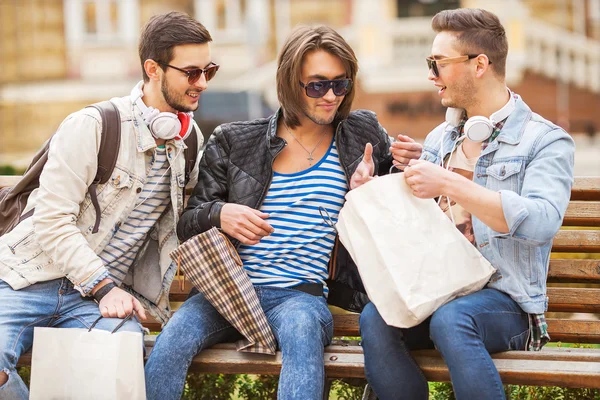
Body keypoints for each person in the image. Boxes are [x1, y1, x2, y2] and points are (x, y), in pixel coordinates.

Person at [144, 25, 422, 400]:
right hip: (228, 290)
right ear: (291, 84)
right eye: (317, 85)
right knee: (172, 340)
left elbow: (400, 215)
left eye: (340, 85)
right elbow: (189, 222)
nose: (331, 97)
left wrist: (394, 175)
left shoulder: (362, 132)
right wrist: (221, 213)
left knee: (302, 332)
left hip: (300, 295)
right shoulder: (234, 139)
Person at [359, 8, 575, 400]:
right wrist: (373, 187)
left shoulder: (545, 141)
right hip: (441, 290)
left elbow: (542, 222)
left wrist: (451, 182)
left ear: (479, 65)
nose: (430, 74)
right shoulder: (443, 138)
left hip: (508, 303)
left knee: (452, 320)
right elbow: (417, 220)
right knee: (377, 316)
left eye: (438, 63)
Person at [0, 11, 214, 398]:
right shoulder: (94, 126)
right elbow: (51, 220)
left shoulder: (190, 142)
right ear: (153, 68)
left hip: (99, 304)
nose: (202, 83)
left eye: (208, 70)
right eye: (191, 72)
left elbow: (193, 220)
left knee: (119, 370)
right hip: (26, 281)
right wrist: (101, 286)